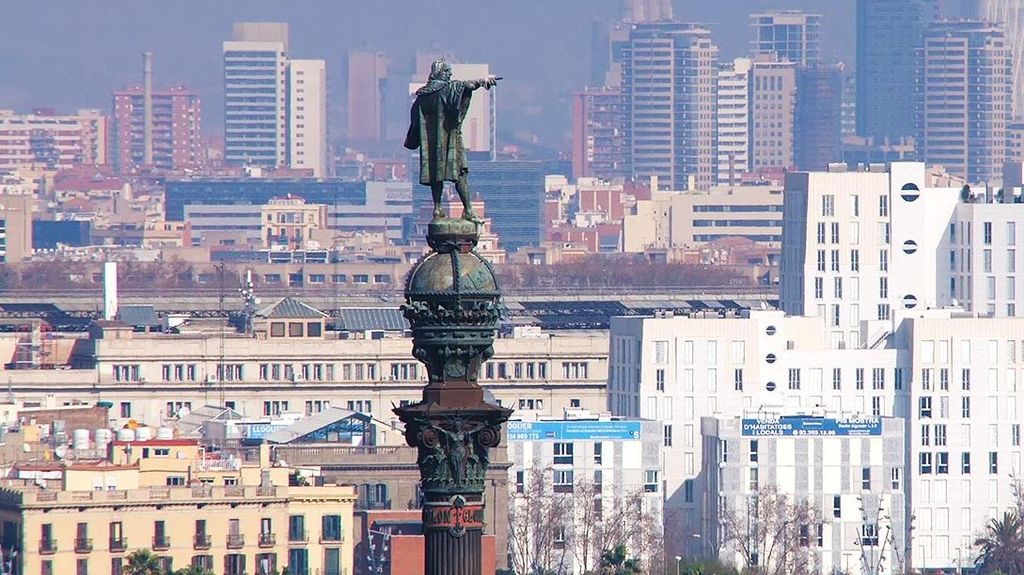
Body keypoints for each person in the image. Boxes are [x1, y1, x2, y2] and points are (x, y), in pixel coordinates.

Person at [405, 59, 498, 222]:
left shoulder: (422, 96)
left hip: (432, 145)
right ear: (440, 74)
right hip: (450, 139)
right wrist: (482, 81)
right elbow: (464, 86)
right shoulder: (446, 89)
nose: (450, 75)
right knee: (460, 174)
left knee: (436, 176)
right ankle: (468, 209)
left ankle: (437, 208)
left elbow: (414, 121)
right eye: (447, 72)